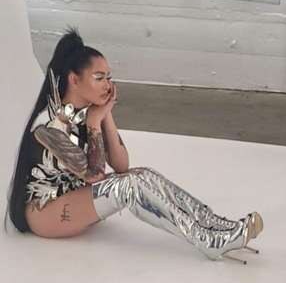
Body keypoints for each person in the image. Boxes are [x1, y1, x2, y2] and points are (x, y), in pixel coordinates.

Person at [8, 29, 263, 261]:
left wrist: (105, 114)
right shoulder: (48, 125)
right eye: (99, 78)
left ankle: (216, 224)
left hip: (73, 198)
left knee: (142, 175)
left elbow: (122, 165)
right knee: (128, 186)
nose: (108, 85)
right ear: (74, 80)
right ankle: (208, 241)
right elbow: (96, 175)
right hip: (47, 211)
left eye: (109, 77)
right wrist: (95, 122)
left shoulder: (86, 112)